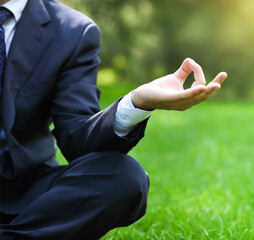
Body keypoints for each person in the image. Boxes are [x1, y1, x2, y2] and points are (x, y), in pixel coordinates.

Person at [0, 0, 227, 239]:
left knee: (124, 177)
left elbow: (77, 139)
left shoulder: (71, 31)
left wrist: (138, 101)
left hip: (25, 189)